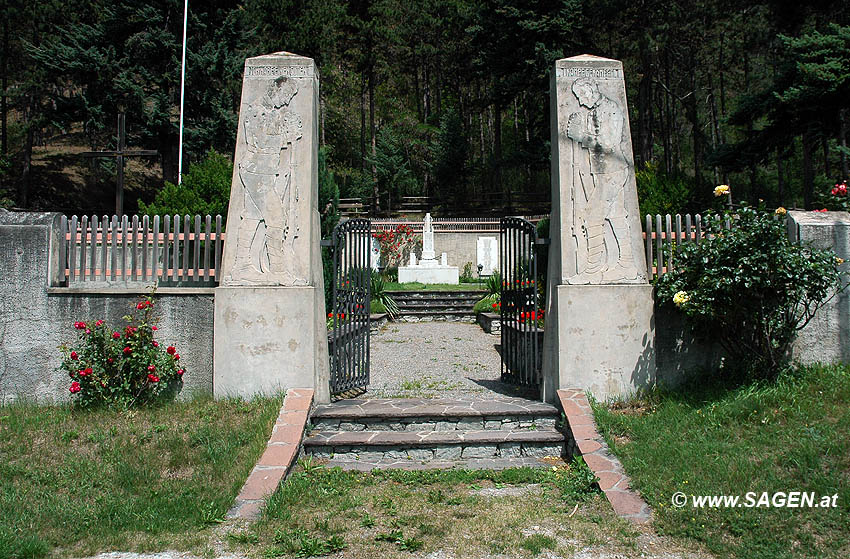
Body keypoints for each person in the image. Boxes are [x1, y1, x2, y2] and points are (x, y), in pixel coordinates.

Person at [566, 77, 638, 283]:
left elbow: (609, 143)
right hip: (603, 172)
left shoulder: (611, 110)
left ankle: (592, 271)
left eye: (581, 96)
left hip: (613, 171)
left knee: (592, 216)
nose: (580, 102)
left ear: (590, 90)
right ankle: (627, 265)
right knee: (615, 216)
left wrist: (581, 136)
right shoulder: (593, 113)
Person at [232, 76, 303, 280]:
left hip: (264, 173)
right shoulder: (256, 111)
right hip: (255, 172)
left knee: (252, 217)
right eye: (286, 95)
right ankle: (278, 271)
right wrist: (286, 136)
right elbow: (259, 141)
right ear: (275, 89)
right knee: (277, 218)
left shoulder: (272, 114)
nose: (286, 101)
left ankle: (241, 266)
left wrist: (290, 131)